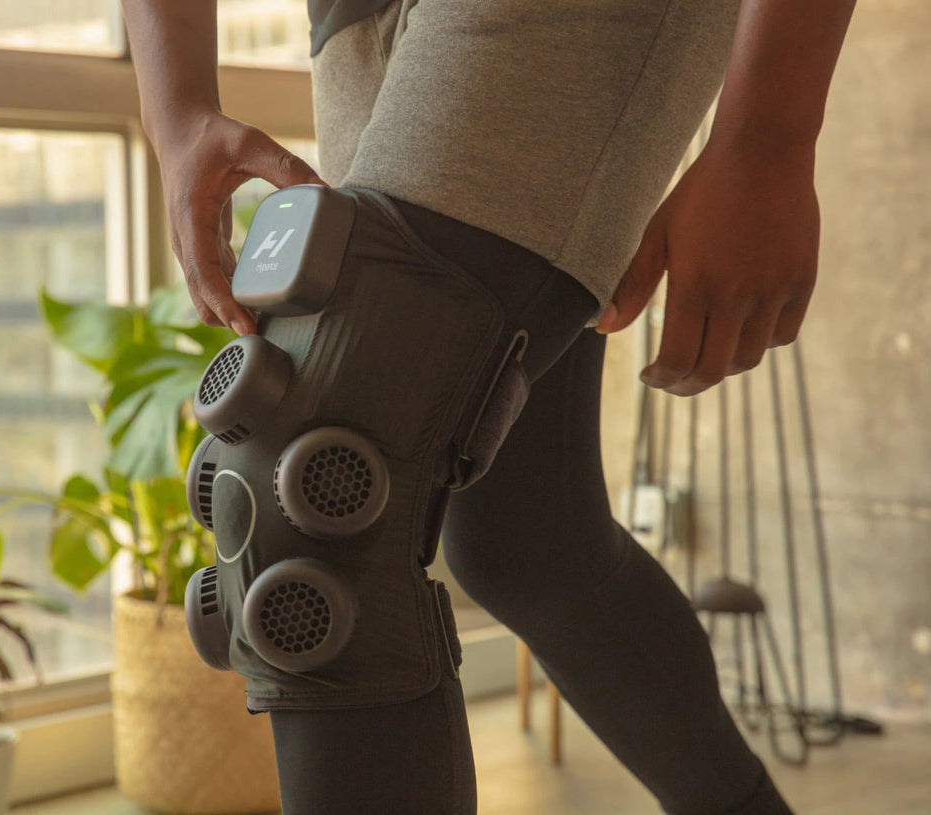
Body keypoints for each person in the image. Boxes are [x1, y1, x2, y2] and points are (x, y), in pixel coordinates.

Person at [120, 1, 856, 812]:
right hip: (351, 20)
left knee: (316, 504)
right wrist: (175, 109)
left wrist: (769, 139)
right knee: (526, 538)